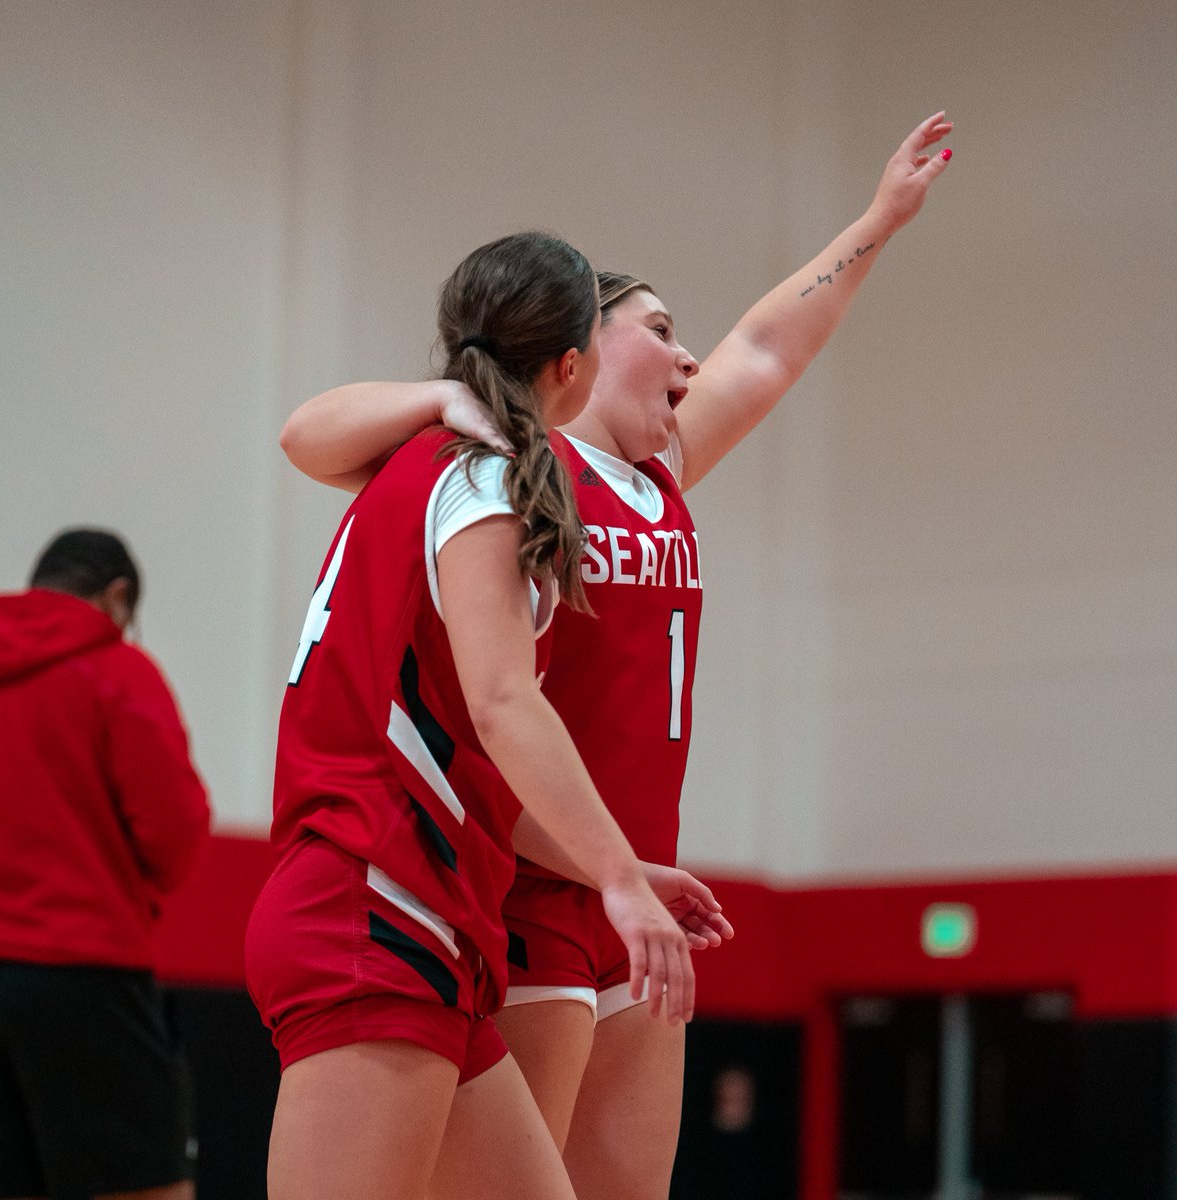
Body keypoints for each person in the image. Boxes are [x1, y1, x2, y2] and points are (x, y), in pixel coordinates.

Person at [279, 112, 953, 1198]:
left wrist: (878, 220)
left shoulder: (659, 475)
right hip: (528, 884)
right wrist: (444, 397)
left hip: (640, 878)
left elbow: (770, 347)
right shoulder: (506, 466)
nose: (691, 356)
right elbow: (312, 434)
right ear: (579, 349)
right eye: (661, 327)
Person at [244, 231, 724, 1200]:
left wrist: (616, 869)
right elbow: (505, 705)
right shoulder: (480, 477)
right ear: (573, 364)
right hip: (373, 902)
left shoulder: (426, 458)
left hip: (427, 920)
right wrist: (620, 885)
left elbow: (475, 766)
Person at [0, 528, 211, 1200]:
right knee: (146, 1187)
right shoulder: (118, 670)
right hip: (83, 969)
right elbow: (174, 830)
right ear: (116, 597)